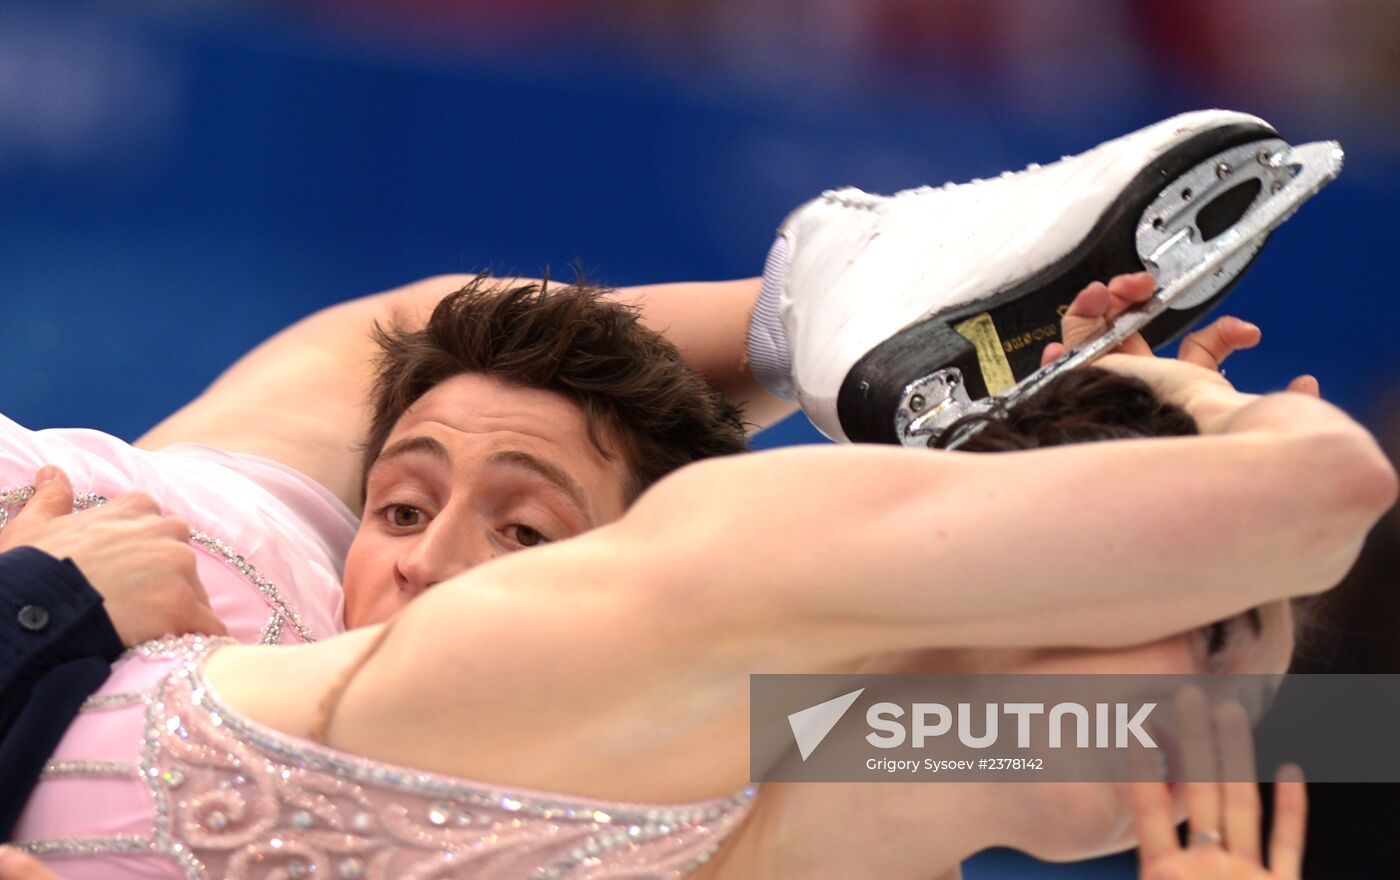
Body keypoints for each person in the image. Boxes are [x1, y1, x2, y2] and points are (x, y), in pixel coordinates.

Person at [4, 266, 1393, 877]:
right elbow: (1331, 489)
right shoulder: (546, 633)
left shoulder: (804, 760)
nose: (432, 558)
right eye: (405, 503)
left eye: (525, 526)